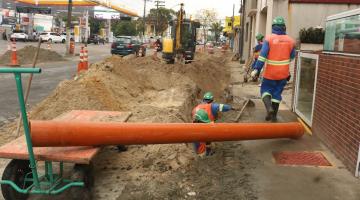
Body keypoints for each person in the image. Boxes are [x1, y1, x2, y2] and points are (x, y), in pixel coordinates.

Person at [251, 16, 296, 122]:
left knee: (265, 90)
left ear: (273, 27)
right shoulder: (291, 41)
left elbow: (262, 57)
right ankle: (274, 116)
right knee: (276, 94)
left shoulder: (269, 39)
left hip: (270, 73)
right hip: (283, 74)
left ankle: (268, 109)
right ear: (284, 27)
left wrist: (256, 69)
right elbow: (292, 56)